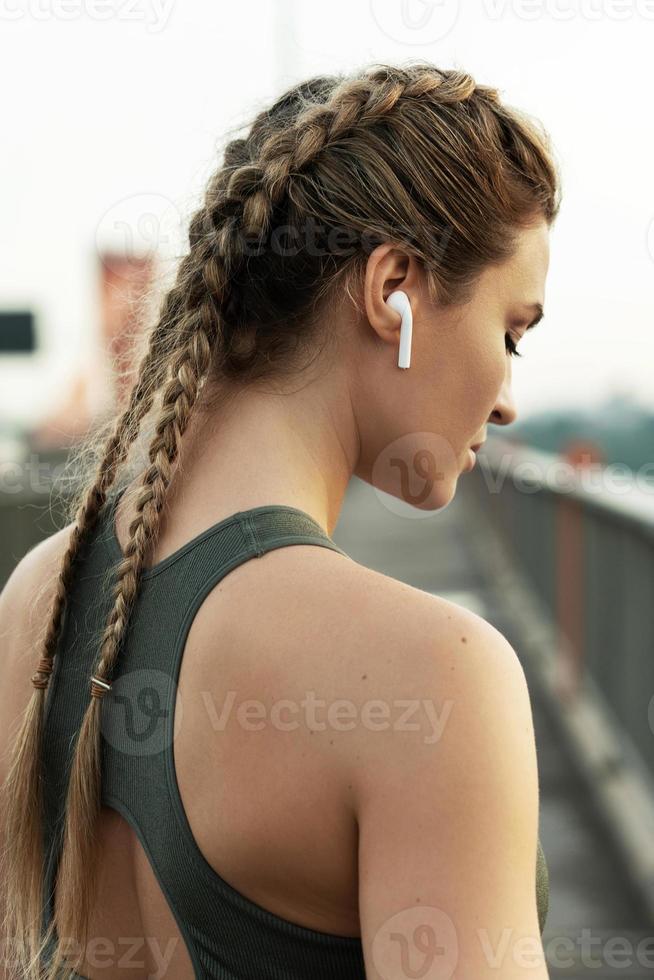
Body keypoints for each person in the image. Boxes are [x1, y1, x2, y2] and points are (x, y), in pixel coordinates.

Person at [0, 62, 560, 980]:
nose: (506, 400)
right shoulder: (435, 682)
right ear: (394, 291)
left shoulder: (41, 599)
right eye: (511, 330)